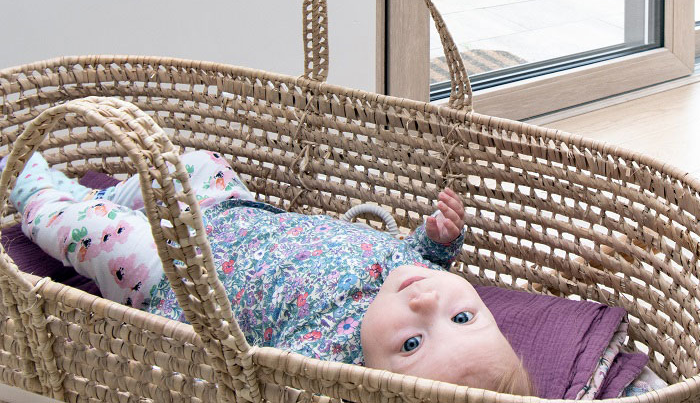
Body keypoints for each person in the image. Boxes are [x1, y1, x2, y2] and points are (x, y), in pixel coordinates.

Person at [6, 150, 535, 396]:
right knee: (196, 164)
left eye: (412, 345)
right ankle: (113, 195)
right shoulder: (414, 278)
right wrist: (439, 242)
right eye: (463, 316)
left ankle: (31, 186)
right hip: (235, 211)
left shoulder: (321, 360)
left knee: (98, 235)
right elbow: (430, 272)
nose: (426, 303)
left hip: (176, 272)